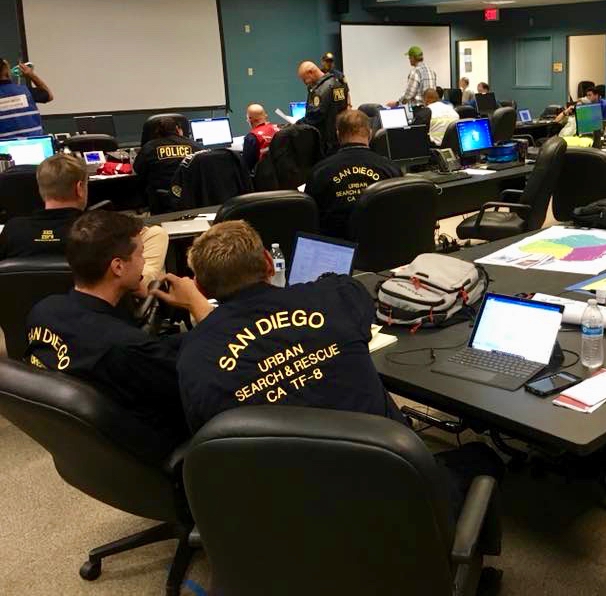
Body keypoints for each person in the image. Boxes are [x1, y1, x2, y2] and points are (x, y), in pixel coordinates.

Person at [159, 220, 504, 540]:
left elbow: (210, 442)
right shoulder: (331, 298)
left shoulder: (193, 358)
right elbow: (355, 293)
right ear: (268, 263)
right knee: (481, 457)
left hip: (284, 518)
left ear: (199, 286)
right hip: (394, 496)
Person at [24, 211, 212, 455]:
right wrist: (198, 306)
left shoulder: (43, 311)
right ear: (118, 267)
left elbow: (150, 351)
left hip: (89, 448)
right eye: (140, 254)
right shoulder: (125, 347)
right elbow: (204, 387)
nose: (144, 263)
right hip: (160, 450)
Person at [0, 154, 168, 287]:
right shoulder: (99, 229)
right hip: (95, 317)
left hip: (25, 318)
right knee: (156, 234)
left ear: (41, 189)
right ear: (80, 188)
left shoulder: (12, 229)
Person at [305, 109, 401, 238]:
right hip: (384, 243)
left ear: (338, 135)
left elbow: (311, 219)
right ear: (370, 133)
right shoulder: (391, 169)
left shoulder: (319, 172)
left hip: (338, 246)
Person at [133, 115, 201, 210]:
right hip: (191, 197)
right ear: (178, 129)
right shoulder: (195, 146)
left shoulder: (149, 147)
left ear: (157, 132)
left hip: (161, 199)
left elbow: (138, 169)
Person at [298, 59, 349, 157]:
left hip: (326, 142)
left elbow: (315, 115)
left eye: (304, 79)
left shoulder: (322, 89)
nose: (305, 82)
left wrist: (297, 125)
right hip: (339, 137)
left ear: (311, 72)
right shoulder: (337, 83)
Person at [0, 57, 53, 138]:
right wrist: (31, 75)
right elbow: (49, 96)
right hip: (36, 143)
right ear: (5, 70)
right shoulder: (26, 91)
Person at [240, 103, 280, 172]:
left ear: (250, 119)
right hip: (282, 172)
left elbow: (246, 166)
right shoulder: (278, 129)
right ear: (265, 116)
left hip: (264, 175)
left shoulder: (251, 137)